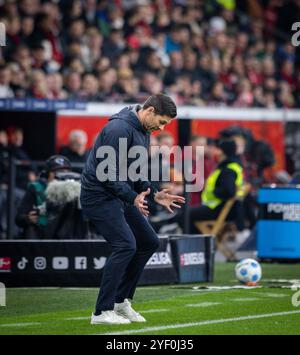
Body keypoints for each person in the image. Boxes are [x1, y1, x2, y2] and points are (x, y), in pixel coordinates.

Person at [80, 93, 185, 325]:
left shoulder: (143, 130)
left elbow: (136, 171)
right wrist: (132, 197)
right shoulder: (119, 129)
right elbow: (106, 174)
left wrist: (154, 192)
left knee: (149, 242)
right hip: (98, 197)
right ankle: (101, 312)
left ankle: (121, 301)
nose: (162, 127)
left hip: (120, 196)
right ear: (150, 111)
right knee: (125, 245)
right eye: (162, 122)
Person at [187, 139, 246, 235]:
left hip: (218, 209)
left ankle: (193, 244)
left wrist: (212, 191)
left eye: (218, 149)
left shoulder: (228, 169)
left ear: (223, 151)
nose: (215, 152)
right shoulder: (231, 165)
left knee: (186, 214)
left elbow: (228, 191)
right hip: (222, 209)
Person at [15, 155, 72, 238]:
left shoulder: (74, 190)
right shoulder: (36, 188)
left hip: (66, 238)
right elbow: (18, 219)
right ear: (47, 174)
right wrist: (27, 218)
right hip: (42, 236)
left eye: (64, 172)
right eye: (56, 172)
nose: (60, 176)